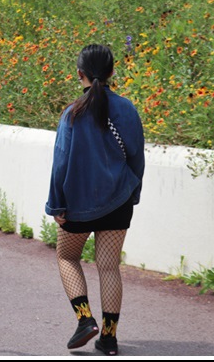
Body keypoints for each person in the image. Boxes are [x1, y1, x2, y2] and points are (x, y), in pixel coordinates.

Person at [45, 44, 146, 356]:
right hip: (119, 202)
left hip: (78, 204)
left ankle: (84, 319)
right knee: (108, 266)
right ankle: (109, 338)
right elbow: (136, 156)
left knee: (66, 257)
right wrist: (133, 193)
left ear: (80, 75)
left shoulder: (72, 113)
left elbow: (60, 162)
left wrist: (56, 205)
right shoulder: (127, 109)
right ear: (113, 72)